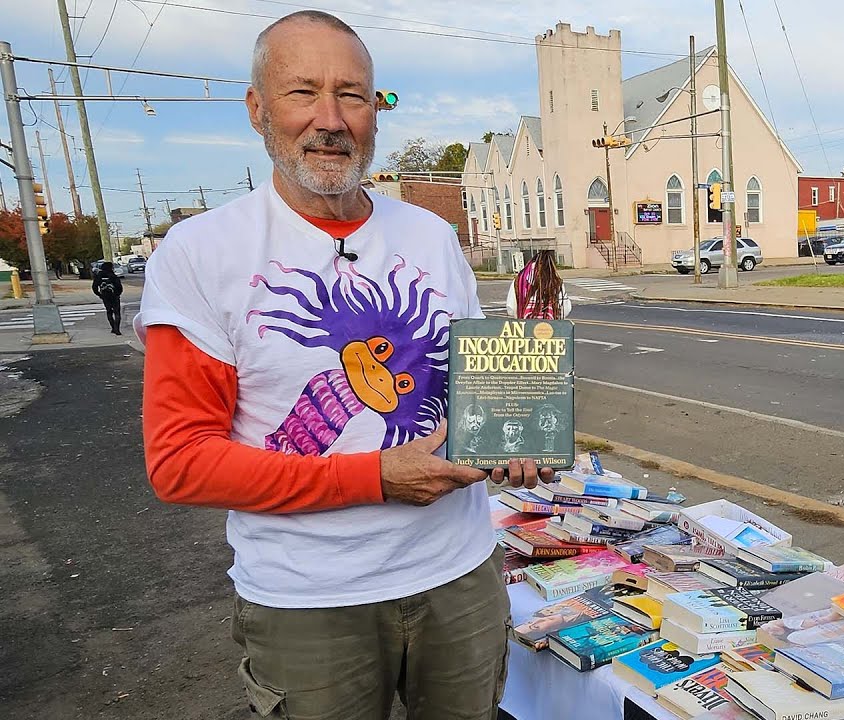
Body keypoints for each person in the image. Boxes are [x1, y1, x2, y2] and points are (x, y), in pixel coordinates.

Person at [134, 11, 553, 720]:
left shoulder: (432, 234)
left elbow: (472, 392)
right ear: (258, 109)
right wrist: (373, 477)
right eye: (303, 93)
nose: (330, 119)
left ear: (376, 111)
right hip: (310, 604)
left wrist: (518, 438)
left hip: (460, 576)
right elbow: (179, 462)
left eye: (352, 95)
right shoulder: (199, 252)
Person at [505, 249, 572, 319]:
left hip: (525, 327)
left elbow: (511, 309)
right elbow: (565, 309)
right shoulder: (555, 282)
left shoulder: (519, 281)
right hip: (550, 327)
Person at [92, 261, 123, 335]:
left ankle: (113, 327)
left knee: (109, 311)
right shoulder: (113, 275)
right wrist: (118, 294)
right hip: (114, 296)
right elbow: (119, 286)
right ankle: (117, 329)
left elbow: (94, 287)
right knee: (117, 312)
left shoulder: (99, 276)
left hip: (105, 296)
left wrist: (99, 294)